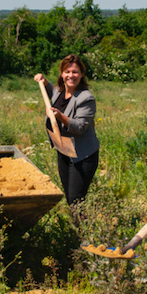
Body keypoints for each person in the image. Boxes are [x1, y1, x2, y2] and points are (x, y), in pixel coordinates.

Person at [34, 54, 100, 210]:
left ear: (81, 74)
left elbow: (80, 127)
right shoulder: (59, 90)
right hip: (64, 151)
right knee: (70, 197)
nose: (71, 75)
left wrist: (60, 116)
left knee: (75, 200)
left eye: (75, 72)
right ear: (62, 74)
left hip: (82, 156)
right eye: (67, 71)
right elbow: (52, 92)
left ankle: (82, 231)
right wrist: (44, 81)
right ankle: (78, 227)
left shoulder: (86, 98)